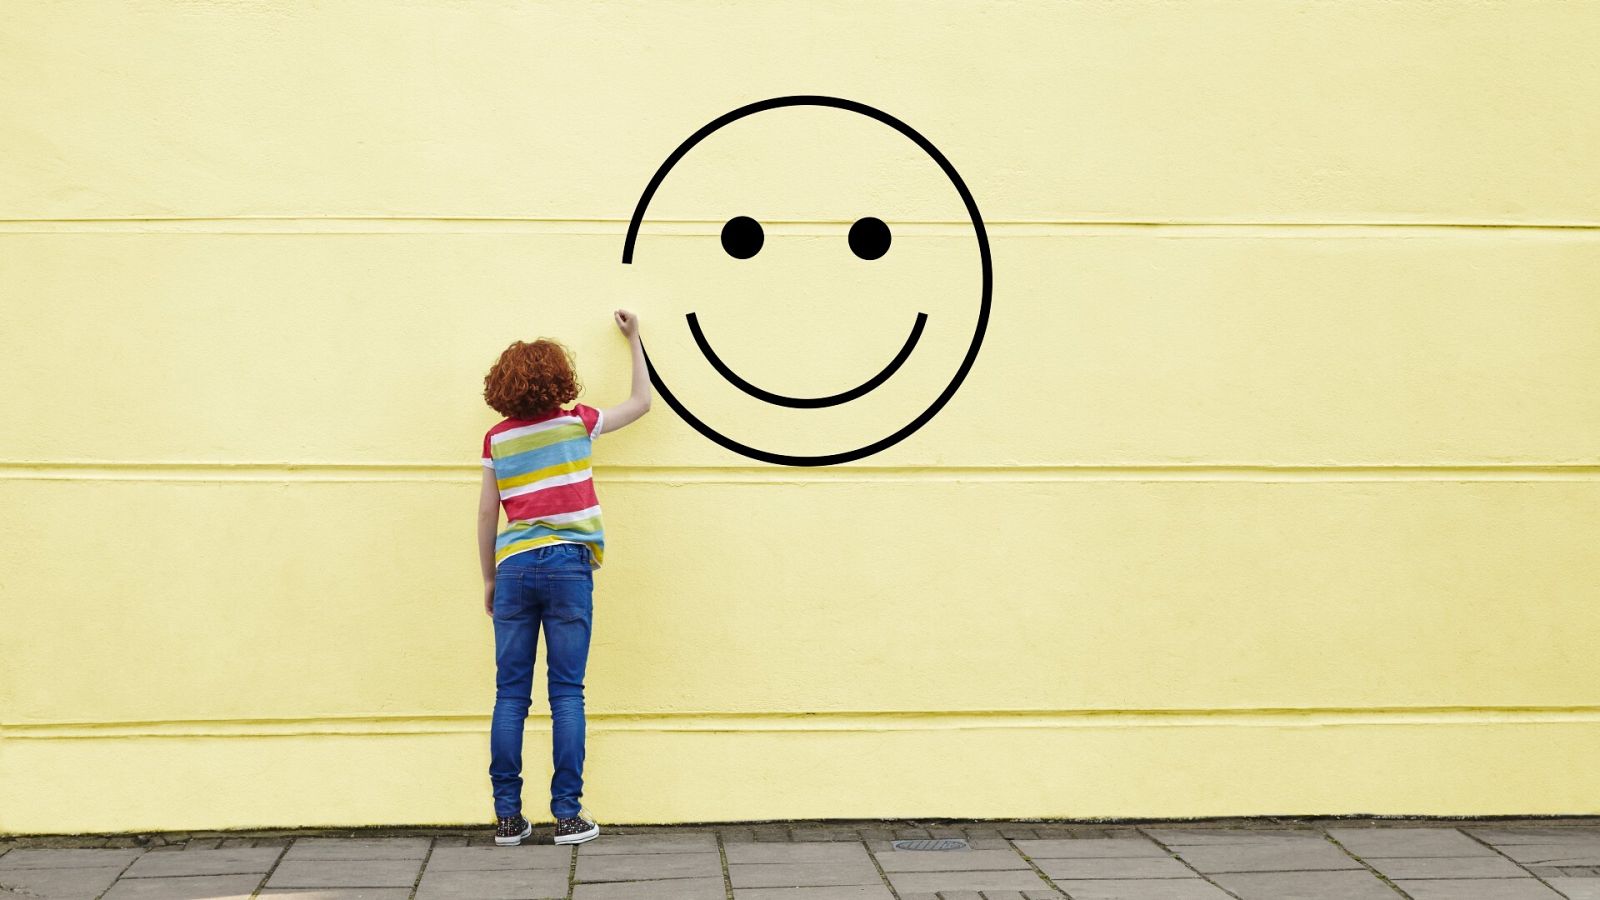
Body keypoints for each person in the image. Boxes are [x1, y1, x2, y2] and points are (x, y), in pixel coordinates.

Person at [477, 309, 651, 846]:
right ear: (559, 379)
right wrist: (636, 338)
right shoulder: (578, 423)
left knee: (510, 695)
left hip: (514, 568)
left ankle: (508, 818)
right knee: (567, 693)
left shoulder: (497, 440)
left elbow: (487, 513)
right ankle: (568, 816)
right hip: (569, 567)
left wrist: (489, 578)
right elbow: (642, 403)